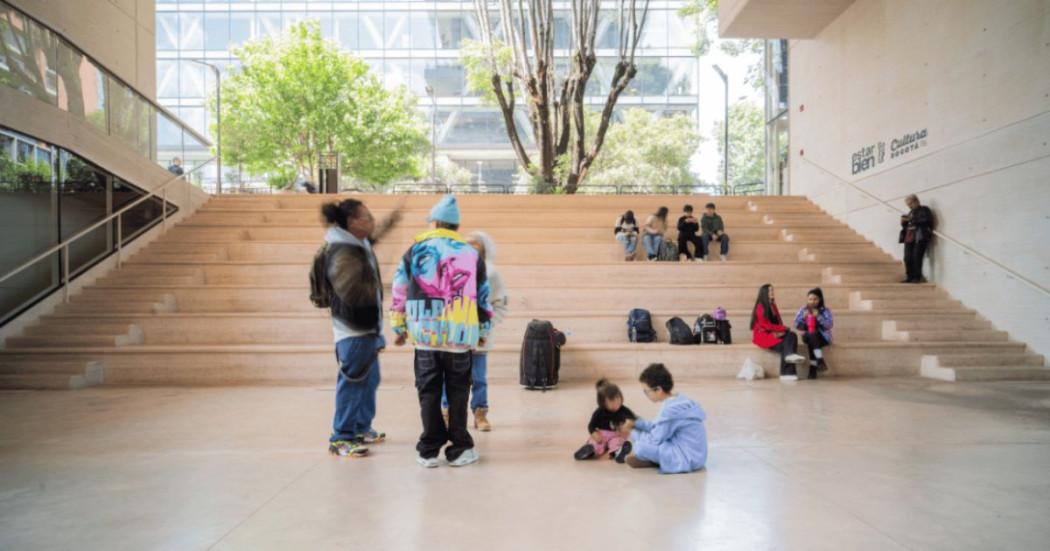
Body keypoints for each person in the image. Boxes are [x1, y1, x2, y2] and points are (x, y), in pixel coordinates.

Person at [391, 195, 493, 468]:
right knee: (459, 390)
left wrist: (398, 326)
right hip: (460, 335)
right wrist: (483, 329)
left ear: (435, 222)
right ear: (456, 226)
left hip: (425, 334)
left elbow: (399, 289)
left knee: (428, 390)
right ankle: (460, 448)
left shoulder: (415, 249)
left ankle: (428, 450)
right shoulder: (471, 254)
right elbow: (484, 296)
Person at [321, 199, 400, 457]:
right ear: (353, 222)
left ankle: (361, 427)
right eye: (367, 218)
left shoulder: (356, 243)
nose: (371, 222)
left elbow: (372, 239)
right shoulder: (343, 252)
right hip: (354, 330)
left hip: (367, 329)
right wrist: (381, 288)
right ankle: (341, 437)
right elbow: (352, 292)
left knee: (370, 379)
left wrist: (389, 223)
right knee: (353, 382)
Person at [441, 231, 507, 432]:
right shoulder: (452, 269)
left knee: (478, 378)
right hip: (454, 337)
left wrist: (485, 328)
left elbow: (499, 304)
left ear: (484, 247)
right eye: (466, 243)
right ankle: (447, 413)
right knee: (449, 377)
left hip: (479, 338)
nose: (470, 246)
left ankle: (480, 413)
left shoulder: (491, 273)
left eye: (475, 244)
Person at [619, 364, 708, 474]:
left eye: (646, 391)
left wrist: (632, 432)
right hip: (698, 456)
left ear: (658, 389)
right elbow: (657, 426)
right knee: (642, 434)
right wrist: (637, 424)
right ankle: (656, 459)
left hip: (687, 458)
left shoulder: (670, 410)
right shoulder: (679, 400)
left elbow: (655, 439)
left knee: (640, 447)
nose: (646, 395)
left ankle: (659, 461)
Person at [750, 283, 807, 381]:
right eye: (770, 291)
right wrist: (782, 329)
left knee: (792, 335)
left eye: (772, 290)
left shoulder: (772, 305)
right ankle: (787, 373)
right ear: (764, 293)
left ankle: (789, 359)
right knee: (788, 344)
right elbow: (765, 325)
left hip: (774, 334)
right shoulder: (760, 306)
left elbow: (778, 322)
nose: (772, 292)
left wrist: (782, 331)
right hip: (764, 336)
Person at [574, 378, 637, 462]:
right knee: (596, 443)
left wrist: (628, 427)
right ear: (602, 403)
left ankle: (619, 452)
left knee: (617, 442)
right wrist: (594, 433)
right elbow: (591, 425)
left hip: (617, 434)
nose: (616, 402)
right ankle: (590, 450)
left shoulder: (624, 411)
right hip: (602, 435)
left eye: (618, 398)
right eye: (611, 401)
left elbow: (634, 420)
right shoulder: (599, 412)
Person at [793, 288, 834, 378]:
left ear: (820, 300)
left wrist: (819, 316)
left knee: (813, 338)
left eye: (815, 299)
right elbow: (796, 324)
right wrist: (803, 318)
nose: (812, 301)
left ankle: (813, 368)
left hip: (823, 338)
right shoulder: (803, 309)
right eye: (810, 299)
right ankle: (819, 359)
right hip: (807, 336)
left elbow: (829, 325)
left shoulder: (825, 310)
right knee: (812, 335)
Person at [899, 194, 934, 283]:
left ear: (916, 201)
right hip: (909, 237)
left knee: (916, 257)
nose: (910, 206)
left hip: (919, 236)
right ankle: (909, 276)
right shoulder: (910, 212)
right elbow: (907, 225)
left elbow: (926, 220)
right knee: (907, 258)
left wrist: (912, 219)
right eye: (908, 205)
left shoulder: (924, 210)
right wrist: (903, 222)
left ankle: (917, 277)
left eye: (910, 203)